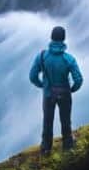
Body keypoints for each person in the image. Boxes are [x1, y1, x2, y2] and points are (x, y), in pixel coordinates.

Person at [29, 26, 83, 154]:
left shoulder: (42, 56)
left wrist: (42, 85)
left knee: (47, 121)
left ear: (51, 38)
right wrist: (72, 89)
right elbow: (79, 80)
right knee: (65, 120)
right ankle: (68, 146)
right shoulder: (69, 59)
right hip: (64, 93)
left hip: (48, 94)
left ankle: (46, 148)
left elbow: (32, 76)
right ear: (63, 39)